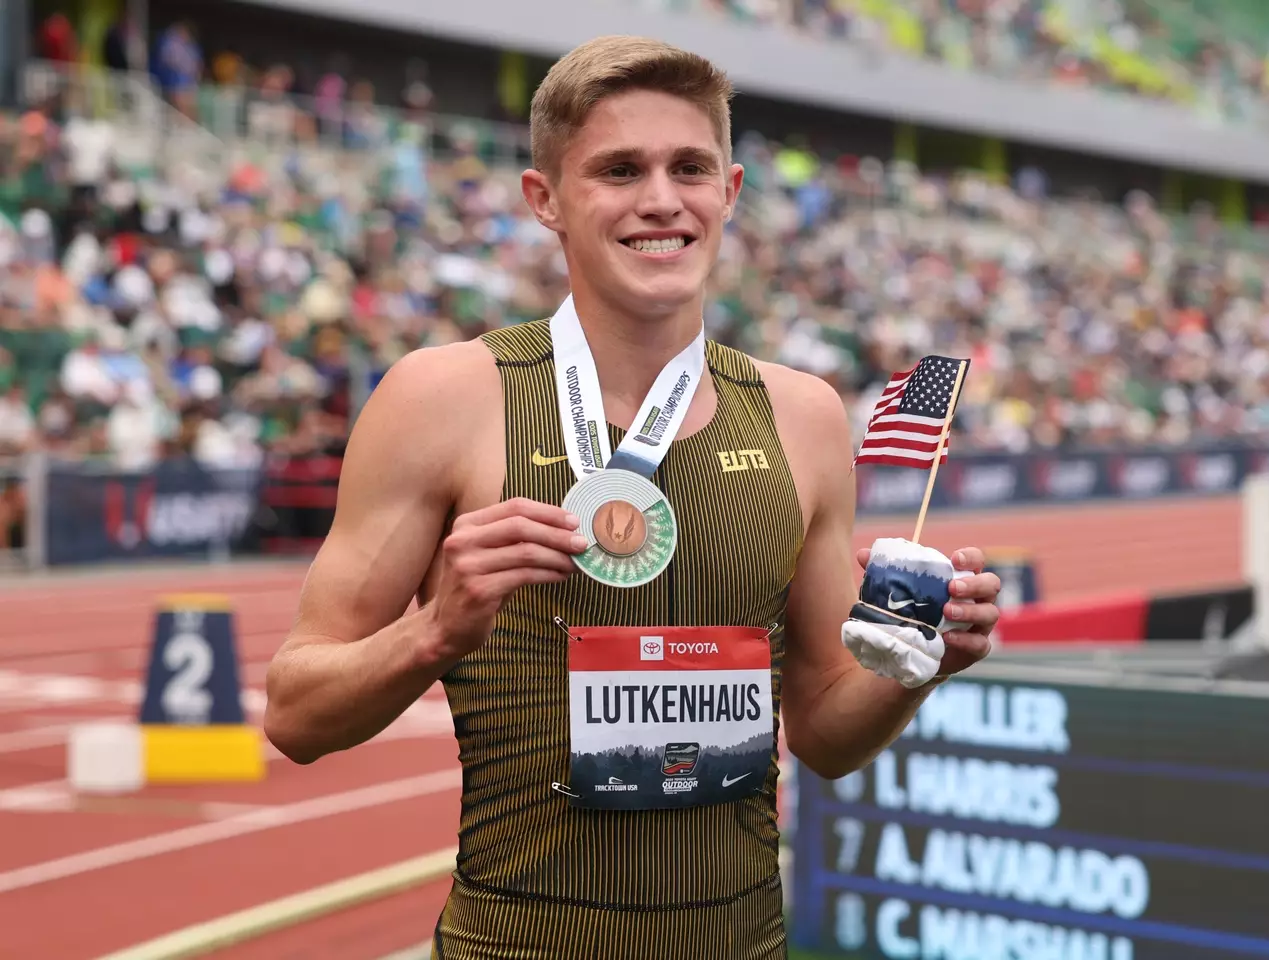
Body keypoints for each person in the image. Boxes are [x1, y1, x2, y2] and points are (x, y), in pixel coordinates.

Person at [262, 35, 1002, 959]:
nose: (661, 199)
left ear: (729, 191)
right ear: (547, 201)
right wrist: (434, 633)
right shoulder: (443, 398)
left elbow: (822, 731)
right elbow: (293, 715)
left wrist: (918, 662)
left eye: (689, 167)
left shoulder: (804, 416)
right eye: (619, 169)